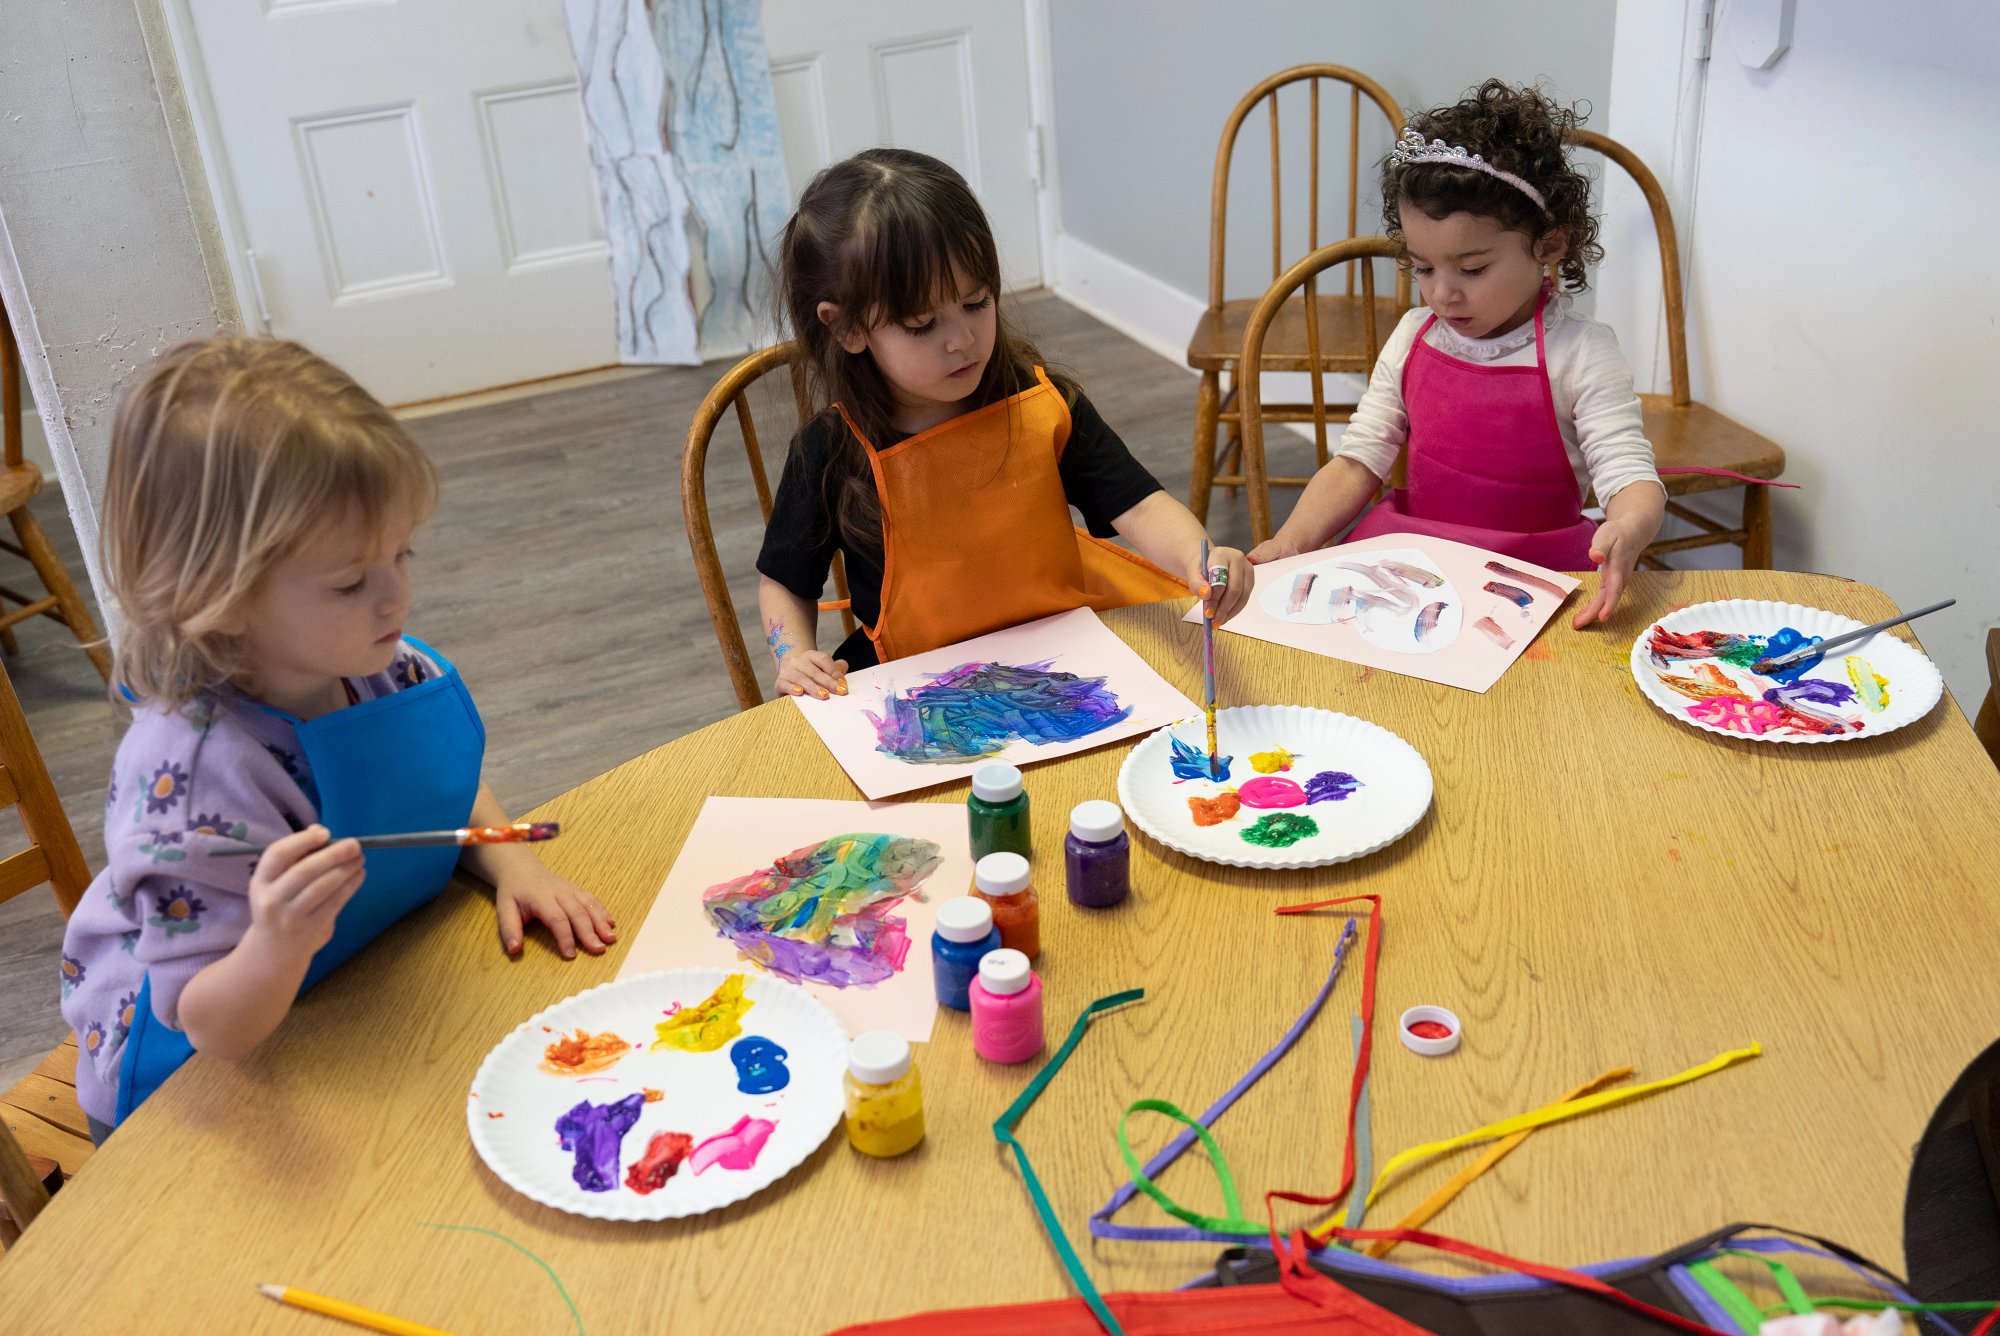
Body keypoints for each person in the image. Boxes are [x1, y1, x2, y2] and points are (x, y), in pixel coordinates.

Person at [59, 337, 614, 1138]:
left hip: (355, 997)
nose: (397, 596)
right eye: (351, 581)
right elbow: (204, 1020)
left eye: (401, 554)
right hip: (190, 1087)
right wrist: (277, 946)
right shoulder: (192, 781)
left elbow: (435, 779)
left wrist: (509, 857)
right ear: (222, 596)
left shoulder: (372, 659)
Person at [756, 148, 1252, 698]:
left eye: (977, 302)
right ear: (847, 328)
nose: (962, 339)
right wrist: (793, 653)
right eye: (922, 324)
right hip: (919, 685)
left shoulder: (1044, 404)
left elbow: (1139, 505)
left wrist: (1199, 558)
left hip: (1066, 659)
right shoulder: (828, 450)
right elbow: (785, 582)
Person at [1249, 80, 1665, 628]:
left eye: (1471, 270)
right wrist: (1292, 540)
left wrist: (1628, 526)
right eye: (1423, 267)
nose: (1443, 293)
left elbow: (1630, 475)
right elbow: (1357, 462)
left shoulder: (1580, 352)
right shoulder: (1412, 335)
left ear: (1550, 245)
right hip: (1415, 565)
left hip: (1530, 577)